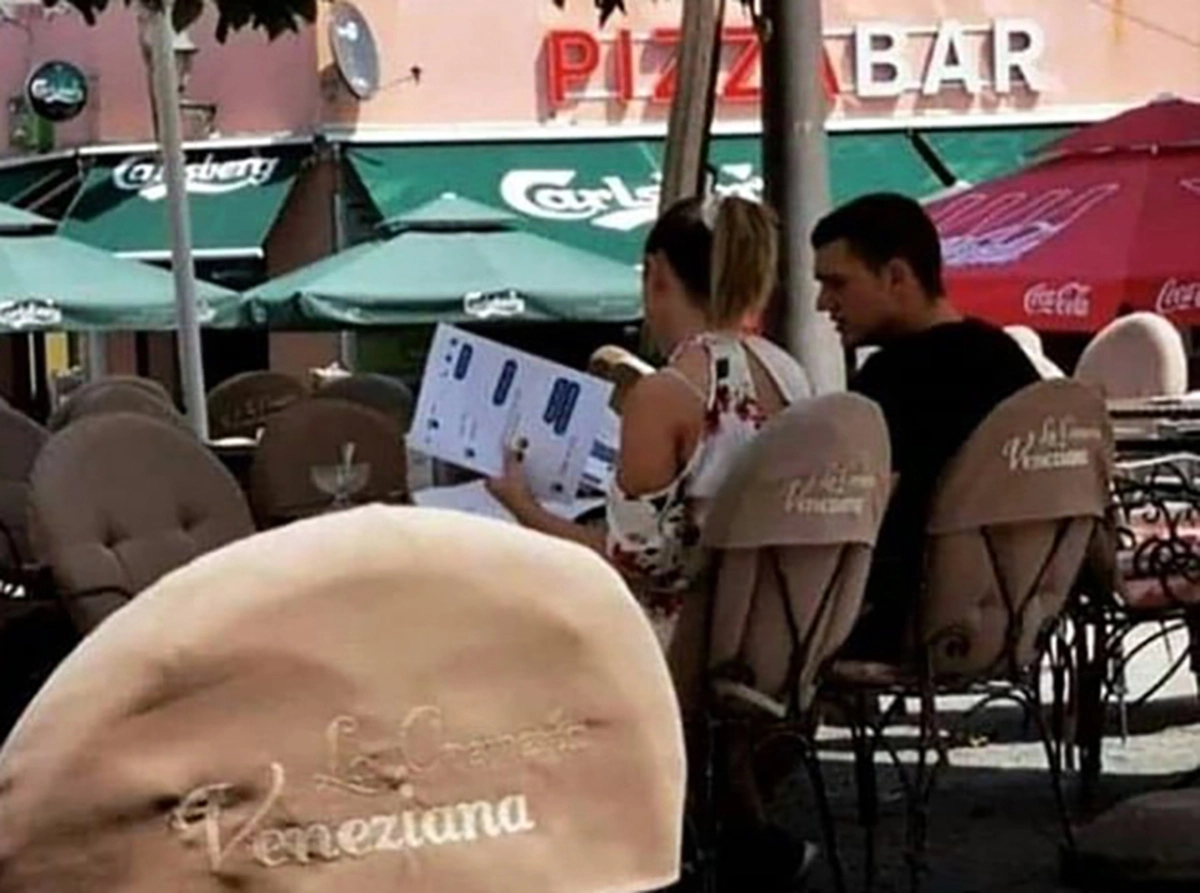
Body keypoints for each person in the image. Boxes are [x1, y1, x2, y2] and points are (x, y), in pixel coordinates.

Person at [487, 194, 810, 646]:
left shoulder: (666, 393)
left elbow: (631, 560)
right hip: (769, 631)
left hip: (676, 644)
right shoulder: (789, 373)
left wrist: (523, 507)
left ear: (656, 274)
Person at [812, 192, 1040, 660]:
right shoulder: (1007, 359)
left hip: (901, 622)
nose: (822, 303)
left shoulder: (891, 379)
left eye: (837, 283)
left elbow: (850, 516)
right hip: (1019, 614)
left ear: (896, 276)